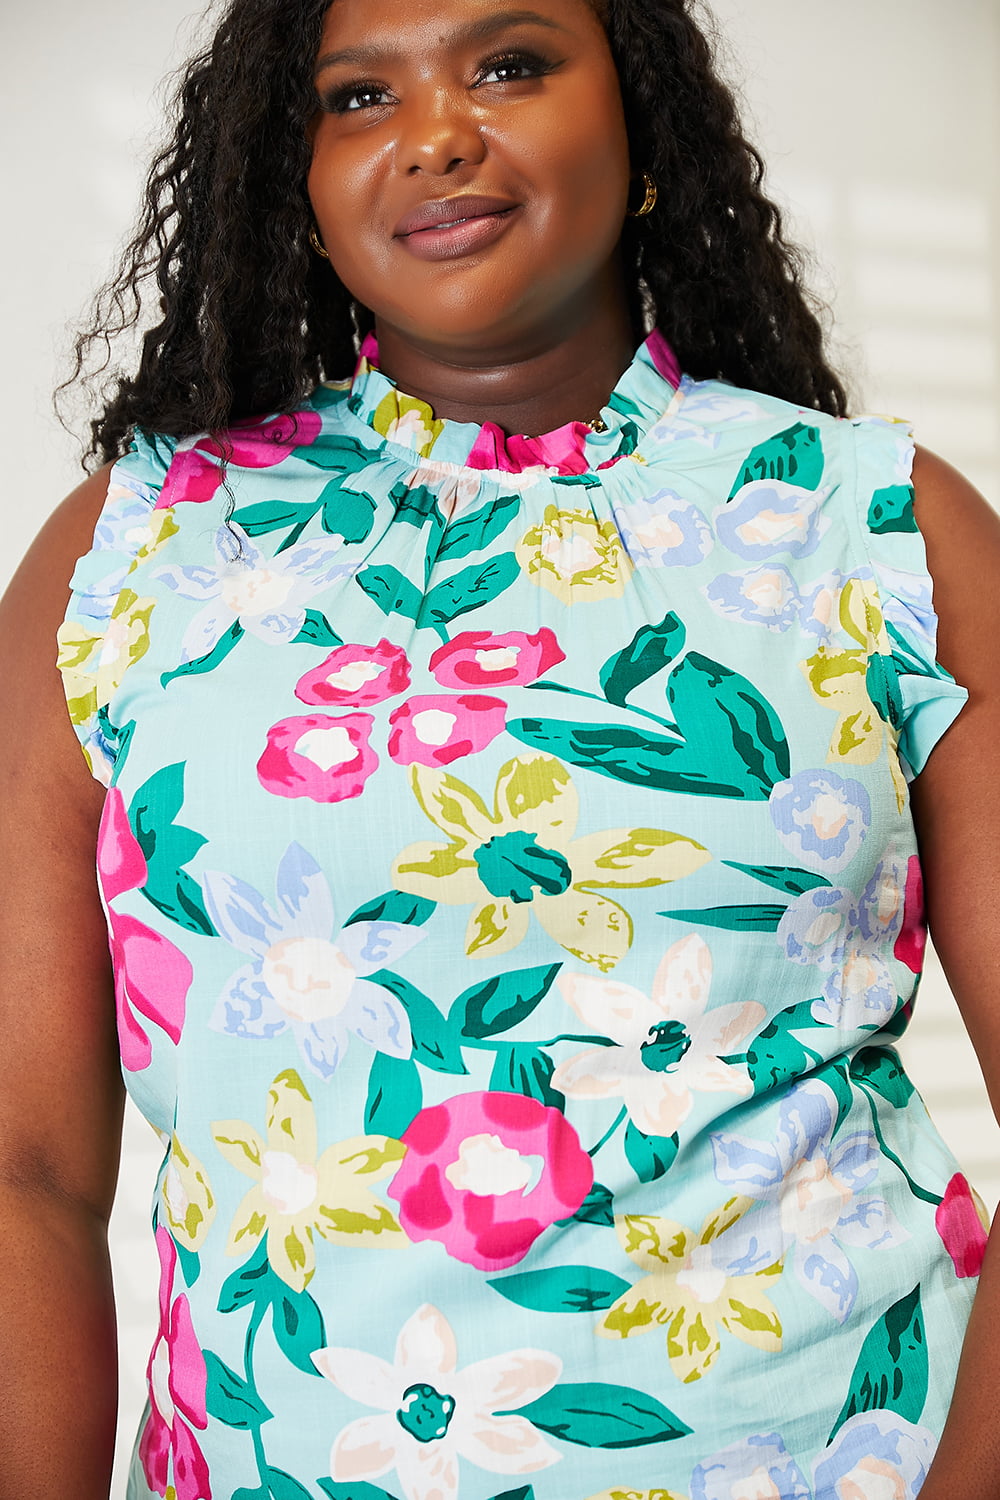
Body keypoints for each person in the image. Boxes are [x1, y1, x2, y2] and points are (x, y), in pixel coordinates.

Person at [2, 0, 1000, 1495]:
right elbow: (27, 1169)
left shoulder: (879, 526)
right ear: (300, 180)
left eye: (510, 65)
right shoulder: (134, 549)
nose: (437, 134)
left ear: (642, 134)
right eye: (357, 97)